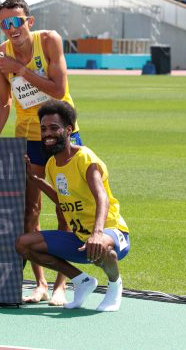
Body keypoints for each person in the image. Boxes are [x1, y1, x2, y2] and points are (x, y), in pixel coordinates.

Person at [0, 0, 82, 306]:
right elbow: (5, 100)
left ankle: (63, 285)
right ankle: (41, 284)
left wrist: (19, 68)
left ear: (28, 22)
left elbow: (59, 90)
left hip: (62, 135)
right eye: (4, 24)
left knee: (66, 206)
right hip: (27, 137)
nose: (11, 29)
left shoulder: (49, 41)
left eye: (16, 21)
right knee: (29, 210)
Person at [16, 100, 130, 312]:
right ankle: (81, 280)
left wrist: (97, 233)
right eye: (43, 129)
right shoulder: (52, 164)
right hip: (80, 240)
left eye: (53, 128)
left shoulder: (85, 158)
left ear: (68, 130)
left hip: (112, 233)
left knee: (104, 249)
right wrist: (36, 180)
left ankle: (115, 285)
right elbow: (63, 200)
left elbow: (101, 198)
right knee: (23, 244)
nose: (47, 133)